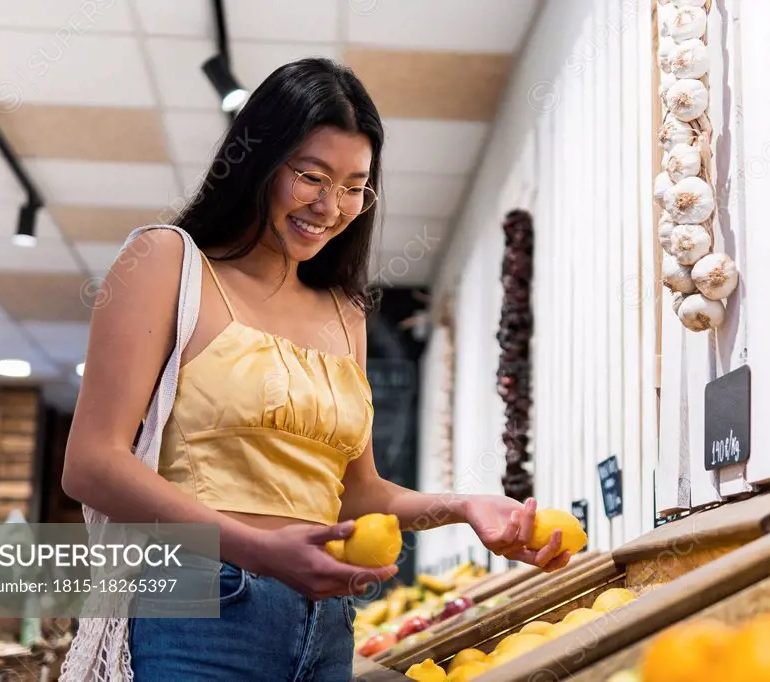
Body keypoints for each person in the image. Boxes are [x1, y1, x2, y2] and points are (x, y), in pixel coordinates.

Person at [61, 57, 570, 681]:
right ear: (258, 162)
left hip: (326, 623)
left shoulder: (344, 312)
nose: (332, 207)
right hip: (198, 607)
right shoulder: (168, 262)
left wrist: (466, 505)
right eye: (312, 177)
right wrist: (259, 551)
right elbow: (91, 463)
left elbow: (357, 494)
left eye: (356, 186)